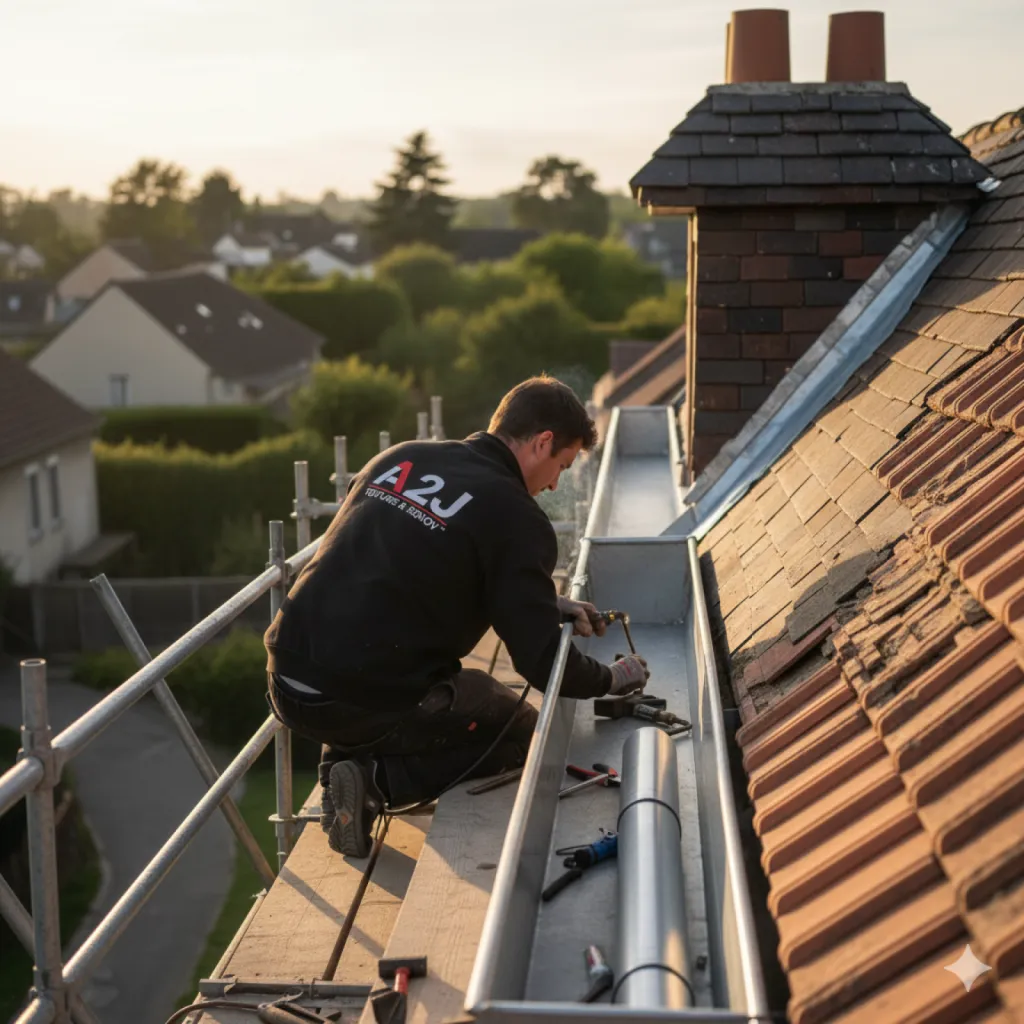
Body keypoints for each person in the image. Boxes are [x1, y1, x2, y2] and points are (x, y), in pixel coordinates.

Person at [264, 375, 649, 856]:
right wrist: (612, 678)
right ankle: (374, 780)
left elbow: (406, 563)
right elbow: (542, 663)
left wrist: (549, 603)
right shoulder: (516, 516)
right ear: (542, 442)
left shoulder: (403, 457)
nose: (553, 485)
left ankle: (339, 768)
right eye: (561, 467)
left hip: (288, 675)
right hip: (359, 697)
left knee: (370, 655)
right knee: (517, 732)